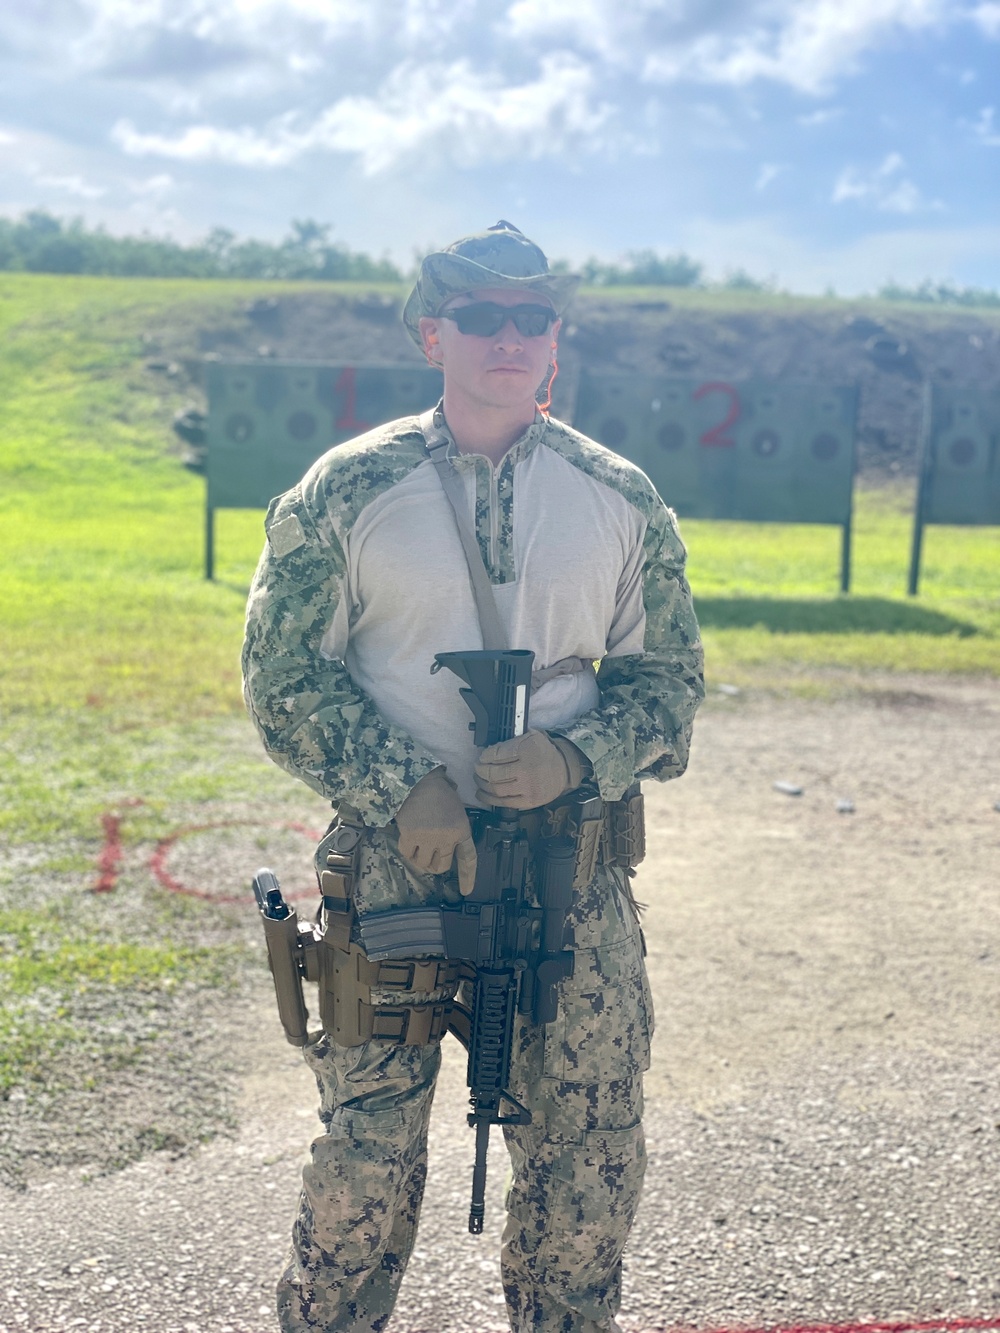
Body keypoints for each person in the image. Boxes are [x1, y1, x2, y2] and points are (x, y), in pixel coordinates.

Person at [241, 220, 704, 1333]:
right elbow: (281, 673)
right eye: (483, 316)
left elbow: (669, 680)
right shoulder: (348, 490)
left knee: (588, 1153)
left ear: (556, 340)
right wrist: (408, 785)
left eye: (532, 317)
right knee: (366, 1148)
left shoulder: (618, 496)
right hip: (399, 874)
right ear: (431, 331)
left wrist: (572, 757)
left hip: (565, 872)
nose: (510, 336)